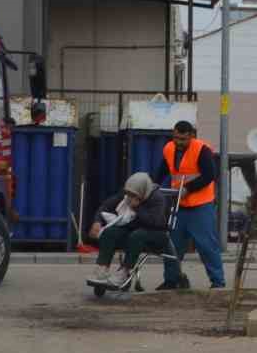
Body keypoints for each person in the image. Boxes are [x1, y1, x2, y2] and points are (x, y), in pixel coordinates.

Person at [151, 121, 226, 290]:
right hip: (179, 204)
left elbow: (209, 175)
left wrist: (188, 189)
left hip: (201, 205)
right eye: (176, 137)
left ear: (191, 136)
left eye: (183, 139)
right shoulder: (169, 148)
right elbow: (163, 170)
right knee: (172, 245)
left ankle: (217, 282)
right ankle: (172, 280)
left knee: (206, 245)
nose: (179, 142)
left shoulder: (202, 150)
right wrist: (154, 183)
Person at [85, 173, 174, 292]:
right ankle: (102, 268)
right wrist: (97, 222)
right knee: (110, 232)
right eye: (128, 193)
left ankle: (124, 272)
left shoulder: (157, 198)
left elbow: (155, 222)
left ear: (142, 192)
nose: (129, 196)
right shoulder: (128, 194)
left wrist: (137, 208)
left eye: (133, 195)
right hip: (134, 231)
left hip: (156, 234)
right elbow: (106, 206)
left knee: (137, 235)